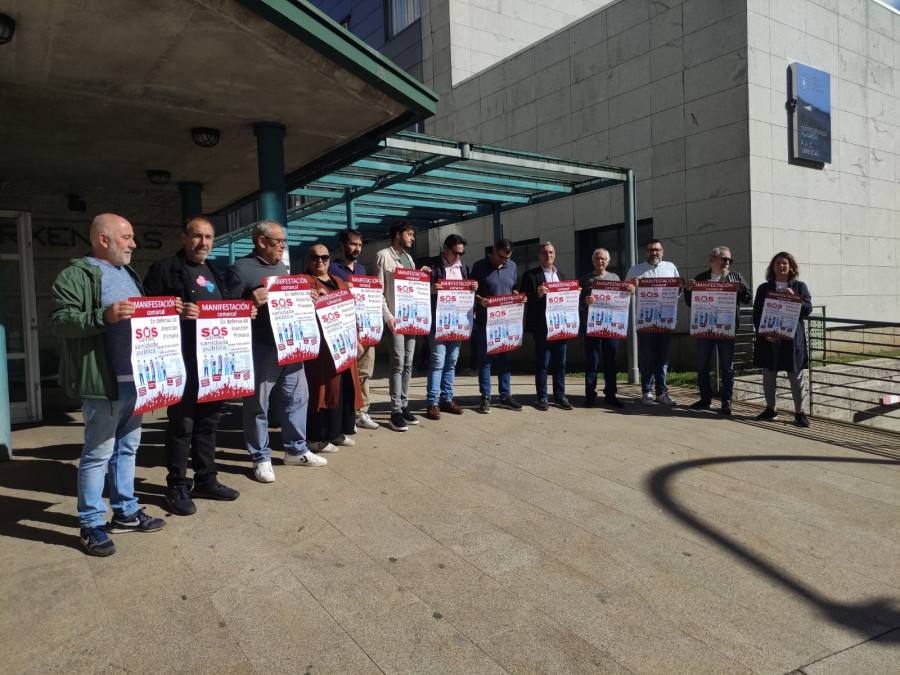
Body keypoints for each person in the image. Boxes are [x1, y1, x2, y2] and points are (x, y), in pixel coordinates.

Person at [50, 213, 167, 556]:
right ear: (104, 239)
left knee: (127, 449)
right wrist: (102, 317)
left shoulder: (127, 273)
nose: (133, 244)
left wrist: (166, 311)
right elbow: (59, 321)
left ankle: (127, 511)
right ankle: (91, 523)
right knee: (98, 453)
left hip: (137, 381)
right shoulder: (75, 275)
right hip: (104, 382)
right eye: (127, 237)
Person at [143, 216, 241, 516]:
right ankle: (177, 485)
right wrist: (175, 313)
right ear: (184, 237)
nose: (204, 243)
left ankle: (206, 480)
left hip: (213, 363)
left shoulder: (214, 270)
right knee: (182, 425)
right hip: (181, 361)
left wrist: (241, 314)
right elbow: (146, 314)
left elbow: (222, 312)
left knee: (209, 423)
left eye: (209, 238)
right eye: (198, 236)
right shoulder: (162, 269)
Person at [226, 220, 326, 483]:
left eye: (284, 242)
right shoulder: (239, 270)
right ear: (261, 241)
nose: (283, 246)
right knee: (258, 405)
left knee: (298, 398)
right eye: (278, 241)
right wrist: (248, 302)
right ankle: (260, 457)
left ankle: (296, 449)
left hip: (291, 345)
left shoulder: (282, 267)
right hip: (260, 347)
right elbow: (224, 313)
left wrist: (308, 300)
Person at [303, 244, 364, 452]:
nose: (319, 261)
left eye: (324, 257)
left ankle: (337, 432)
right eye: (314, 257)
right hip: (322, 350)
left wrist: (357, 338)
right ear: (307, 260)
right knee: (323, 392)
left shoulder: (338, 281)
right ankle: (317, 438)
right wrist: (309, 301)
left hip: (344, 345)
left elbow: (350, 311)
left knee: (345, 389)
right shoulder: (303, 283)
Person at [375, 221, 430, 432]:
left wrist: (421, 275)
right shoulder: (383, 256)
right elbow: (379, 291)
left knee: (409, 364)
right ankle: (395, 410)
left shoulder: (409, 259)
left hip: (411, 320)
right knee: (397, 363)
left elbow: (413, 291)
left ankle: (405, 406)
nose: (412, 238)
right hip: (395, 320)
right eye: (409, 234)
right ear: (398, 234)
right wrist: (387, 317)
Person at [684, 246, 752, 415]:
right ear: (712, 259)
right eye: (724, 259)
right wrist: (688, 290)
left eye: (729, 260)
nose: (727, 263)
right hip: (705, 327)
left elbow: (748, 299)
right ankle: (705, 399)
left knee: (727, 367)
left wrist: (741, 289)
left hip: (726, 328)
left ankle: (726, 402)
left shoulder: (735, 277)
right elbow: (690, 302)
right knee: (702, 365)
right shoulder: (701, 278)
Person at [752, 252, 812, 427]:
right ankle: (771, 409)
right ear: (773, 267)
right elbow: (757, 313)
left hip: (791, 339)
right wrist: (764, 333)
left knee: (795, 375)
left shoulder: (800, 287)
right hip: (769, 338)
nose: (781, 266)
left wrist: (794, 298)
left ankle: (799, 412)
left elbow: (808, 309)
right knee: (769, 374)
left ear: (791, 266)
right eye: (778, 263)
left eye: (785, 263)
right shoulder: (764, 288)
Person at [329, 228, 379, 431]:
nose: (357, 248)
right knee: (344, 374)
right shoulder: (332, 269)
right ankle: (345, 413)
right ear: (342, 246)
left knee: (365, 371)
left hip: (365, 326)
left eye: (359, 245)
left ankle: (361, 412)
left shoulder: (361, 271)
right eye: (353, 244)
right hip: (343, 328)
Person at [424, 234, 477, 420]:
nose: (458, 256)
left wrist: (473, 288)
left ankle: (447, 399)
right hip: (437, 323)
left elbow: (467, 294)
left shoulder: (464, 268)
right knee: (437, 362)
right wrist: (429, 288)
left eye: (461, 253)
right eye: (455, 252)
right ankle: (432, 403)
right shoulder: (431, 266)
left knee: (451, 363)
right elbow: (416, 288)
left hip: (458, 322)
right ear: (445, 248)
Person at [626, 239, 684, 406]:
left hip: (666, 322)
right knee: (647, 358)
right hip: (645, 323)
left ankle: (662, 392)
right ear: (645, 252)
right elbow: (624, 292)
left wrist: (680, 286)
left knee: (663, 359)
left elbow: (676, 293)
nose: (654, 253)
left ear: (662, 252)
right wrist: (631, 286)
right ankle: (647, 392)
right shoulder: (636, 270)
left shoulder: (670, 267)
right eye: (651, 250)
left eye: (657, 250)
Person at [471, 238, 524, 414]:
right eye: (501, 257)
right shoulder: (479, 266)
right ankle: (485, 397)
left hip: (506, 322)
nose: (503, 261)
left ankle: (505, 396)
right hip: (485, 322)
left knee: (505, 360)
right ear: (494, 250)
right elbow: (471, 291)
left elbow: (514, 287)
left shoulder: (513, 266)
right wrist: (481, 300)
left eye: (507, 258)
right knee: (485, 361)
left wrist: (518, 297)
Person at [580, 247, 634, 408]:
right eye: (597, 258)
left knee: (611, 362)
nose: (600, 261)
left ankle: (610, 395)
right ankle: (590, 396)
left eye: (603, 258)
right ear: (593, 261)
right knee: (592, 362)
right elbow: (577, 302)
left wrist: (631, 290)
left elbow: (622, 297)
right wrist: (585, 302)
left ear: (608, 261)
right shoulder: (585, 279)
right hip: (593, 327)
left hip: (611, 327)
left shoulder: (615, 278)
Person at [521, 242, 572, 411]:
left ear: (554, 255)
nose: (548, 255)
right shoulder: (530, 275)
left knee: (561, 364)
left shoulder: (562, 275)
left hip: (560, 326)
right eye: (544, 252)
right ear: (539, 255)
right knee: (543, 363)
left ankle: (560, 396)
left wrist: (574, 294)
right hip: (542, 327)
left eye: (550, 252)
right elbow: (523, 299)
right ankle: (542, 397)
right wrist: (536, 294)